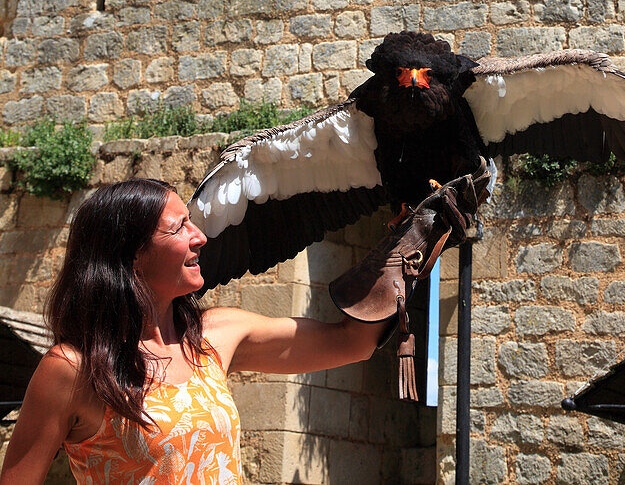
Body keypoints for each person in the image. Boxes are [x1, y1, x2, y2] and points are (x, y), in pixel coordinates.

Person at [0, 170, 486, 484]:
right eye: (177, 229)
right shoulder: (72, 369)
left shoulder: (216, 335)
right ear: (129, 257)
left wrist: (406, 254)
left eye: (192, 221)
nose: (199, 236)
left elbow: (352, 342)